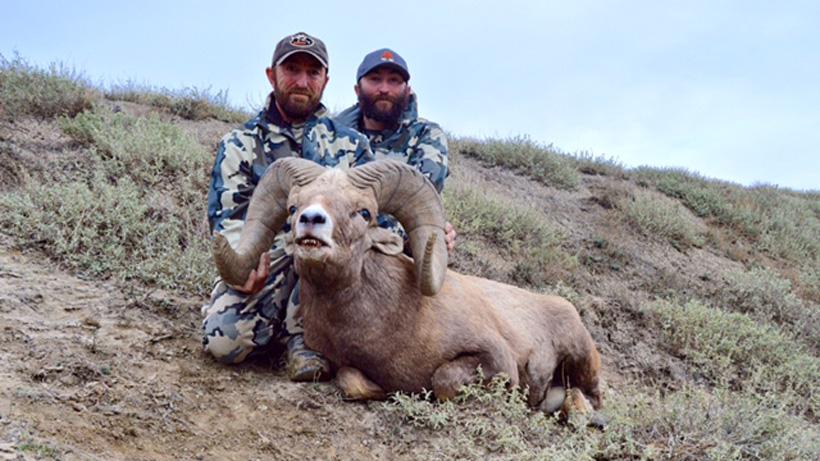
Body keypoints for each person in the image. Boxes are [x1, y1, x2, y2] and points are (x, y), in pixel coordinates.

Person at [202, 32, 372, 381]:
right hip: (273, 262)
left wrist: (426, 237)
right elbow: (230, 216)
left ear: (325, 81)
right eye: (291, 69)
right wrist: (243, 264)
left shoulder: (352, 146)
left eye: (313, 73)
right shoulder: (242, 143)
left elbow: (375, 211)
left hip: (336, 265)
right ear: (271, 75)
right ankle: (284, 330)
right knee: (225, 343)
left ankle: (303, 339)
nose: (302, 81)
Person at [336, 48, 457, 249]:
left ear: (407, 90)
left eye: (394, 80)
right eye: (375, 79)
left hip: (394, 252)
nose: (384, 89)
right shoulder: (331, 135)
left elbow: (416, 201)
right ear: (357, 89)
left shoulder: (428, 136)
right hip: (335, 245)